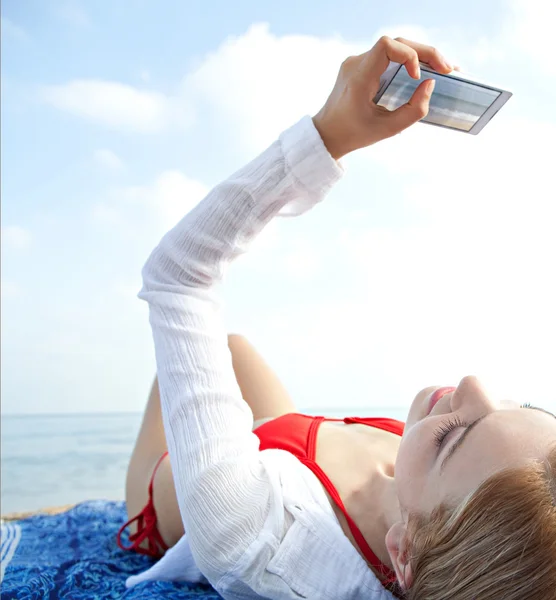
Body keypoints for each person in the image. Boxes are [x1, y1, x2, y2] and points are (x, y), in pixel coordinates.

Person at [118, 36, 556, 599]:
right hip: (283, 452)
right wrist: (451, 441)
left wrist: (330, 134)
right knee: (229, 345)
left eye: (452, 437)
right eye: (519, 407)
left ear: (401, 553)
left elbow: (179, 275)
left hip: (163, 492)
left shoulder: (254, 536)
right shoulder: (451, 493)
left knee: (204, 349)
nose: (473, 385)